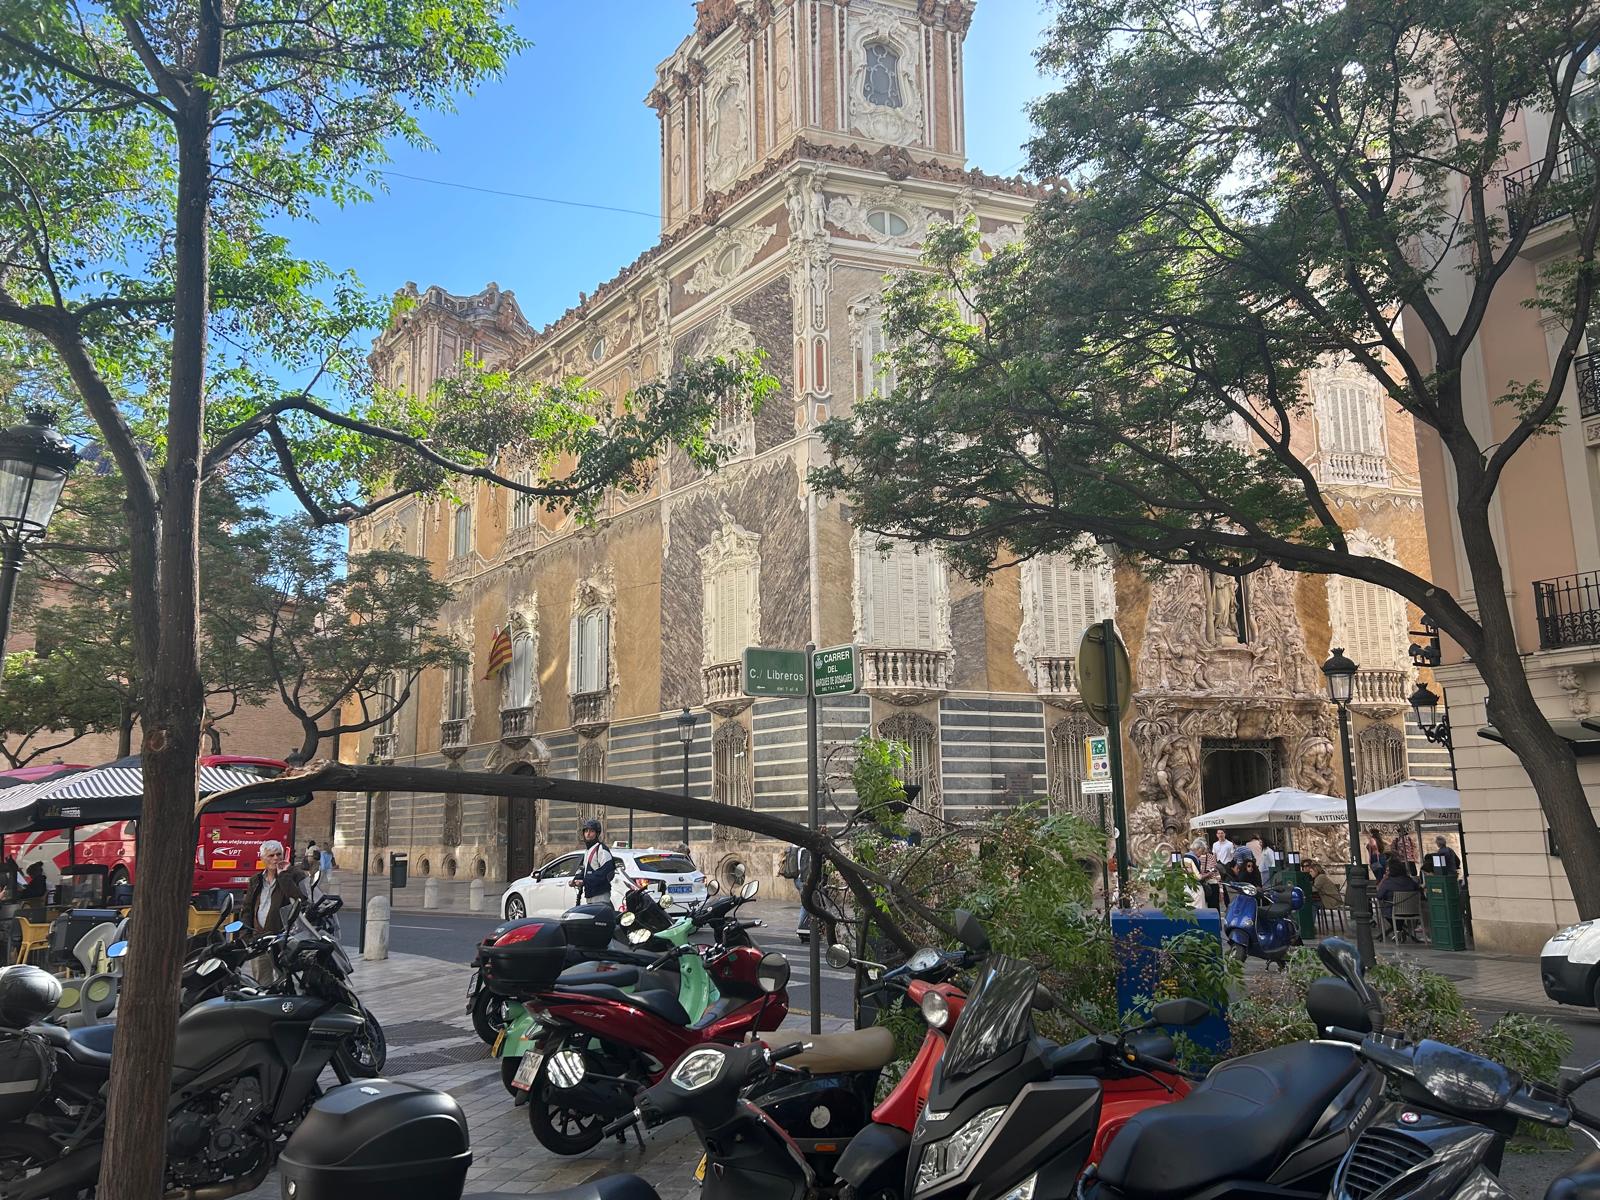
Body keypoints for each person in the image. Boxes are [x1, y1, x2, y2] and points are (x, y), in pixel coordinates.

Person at [571, 818, 618, 906]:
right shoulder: (588, 850)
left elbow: (606, 871)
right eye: (586, 831)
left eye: (591, 831)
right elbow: (585, 870)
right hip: (590, 895)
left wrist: (585, 881)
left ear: (597, 833)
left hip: (601, 895)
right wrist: (576, 880)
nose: (588, 834)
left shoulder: (601, 849)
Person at [1375, 858, 1423, 939]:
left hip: (1392, 911)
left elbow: (1379, 896)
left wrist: (1384, 879)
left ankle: (1397, 930)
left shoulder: (1388, 882)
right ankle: (1399, 931)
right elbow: (1418, 891)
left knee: (1386, 908)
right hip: (1412, 910)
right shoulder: (1410, 881)